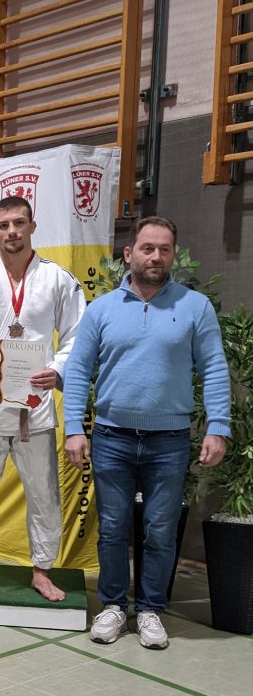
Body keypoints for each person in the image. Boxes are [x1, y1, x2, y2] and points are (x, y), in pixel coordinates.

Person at [63, 215, 230, 649]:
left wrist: (218, 427)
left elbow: (214, 369)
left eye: (164, 249)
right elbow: (78, 371)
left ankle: (152, 609)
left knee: (159, 529)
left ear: (173, 255)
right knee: (113, 528)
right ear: (129, 254)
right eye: (147, 248)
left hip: (169, 442)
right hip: (112, 437)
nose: (156, 256)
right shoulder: (100, 310)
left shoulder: (195, 307)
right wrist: (73, 428)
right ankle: (114, 606)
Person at [0, 195, 86, 601]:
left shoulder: (57, 280)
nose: (12, 231)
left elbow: (77, 335)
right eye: (4, 225)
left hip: (33, 402)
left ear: (32, 226)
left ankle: (42, 570)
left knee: (43, 491)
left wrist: (58, 369)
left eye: (19, 223)